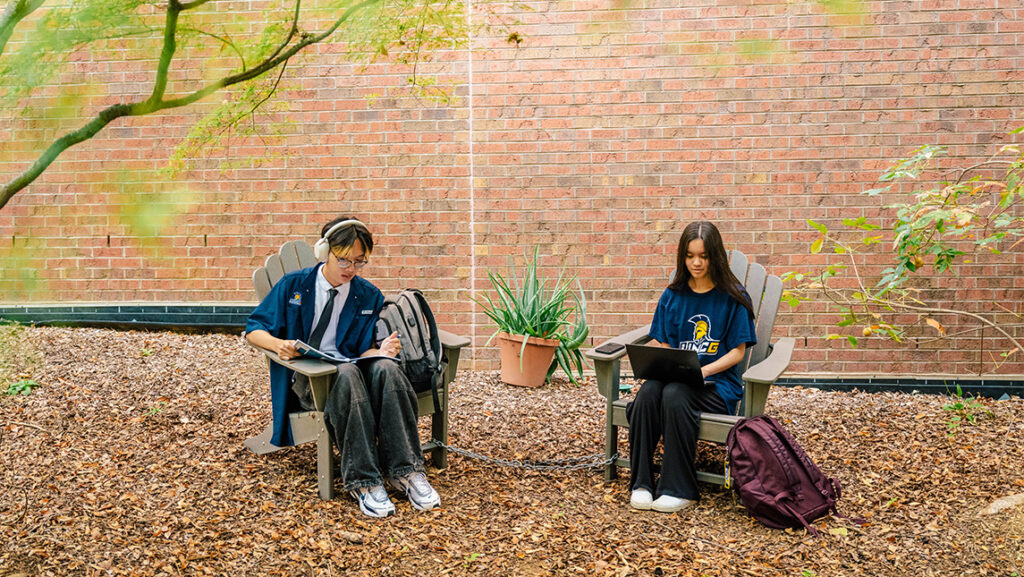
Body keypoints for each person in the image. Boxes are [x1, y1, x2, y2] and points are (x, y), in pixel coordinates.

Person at [245, 217, 440, 518]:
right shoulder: (293, 286)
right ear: (324, 253)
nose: (351, 269)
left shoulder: (367, 295)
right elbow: (253, 329)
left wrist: (381, 352)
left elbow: (362, 350)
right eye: (344, 259)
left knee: (387, 369)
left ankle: (407, 471)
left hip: (353, 376)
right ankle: (364, 482)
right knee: (347, 372)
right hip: (311, 380)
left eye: (359, 262)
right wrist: (277, 344)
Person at [627, 221, 757, 513]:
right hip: (678, 377)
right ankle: (642, 484)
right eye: (689, 256)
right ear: (682, 257)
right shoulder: (673, 295)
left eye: (703, 255)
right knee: (649, 392)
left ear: (715, 256)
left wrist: (703, 371)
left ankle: (678, 488)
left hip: (717, 386)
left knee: (675, 394)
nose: (696, 262)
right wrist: (669, 364)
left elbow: (737, 352)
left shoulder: (733, 297)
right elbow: (662, 341)